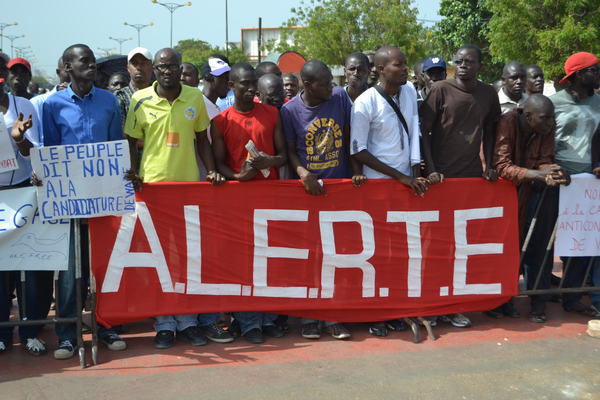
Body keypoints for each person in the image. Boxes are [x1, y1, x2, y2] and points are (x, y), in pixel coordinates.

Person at [124, 48, 230, 349]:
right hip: (154, 190)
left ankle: (189, 321)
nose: (167, 71)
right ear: (155, 69)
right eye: (162, 66)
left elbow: (201, 140)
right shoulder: (139, 99)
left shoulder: (194, 97)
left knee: (187, 258)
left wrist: (210, 172)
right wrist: (133, 174)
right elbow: (130, 141)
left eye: (172, 66)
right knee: (160, 261)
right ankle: (165, 324)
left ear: (179, 68)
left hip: (188, 189)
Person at [42, 44, 126, 359]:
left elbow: (116, 145)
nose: (92, 65)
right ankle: (68, 333)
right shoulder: (52, 104)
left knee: (104, 267)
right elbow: (50, 151)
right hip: (70, 199)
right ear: (68, 66)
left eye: (92, 61)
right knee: (70, 271)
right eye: (84, 61)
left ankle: (106, 326)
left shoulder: (108, 101)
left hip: (103, 197)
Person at [281, 59, 365, 340]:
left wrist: (355, 175)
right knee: (310, 258)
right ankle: (309, 317)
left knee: (337, 257)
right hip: (308, 193)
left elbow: (352, 136)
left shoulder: (340, 97)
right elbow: (291, 150)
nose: (332, 86)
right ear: (307, 85)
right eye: (325, 82)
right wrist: (302, 171)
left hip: (338, 191)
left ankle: (333, 316)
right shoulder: (290, 110)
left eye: (331, 81)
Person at [420, 44, 503, 324]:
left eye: (469, 61)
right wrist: (431, 169)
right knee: (434, 247)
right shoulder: (440, 89)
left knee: (460, 246)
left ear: (480, 64)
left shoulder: (488, 93)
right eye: (459, 61)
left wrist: (489, 165)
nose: (463, 65)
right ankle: (430, 306)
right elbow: (424, 132)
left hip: (470, 181)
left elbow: (491, 130)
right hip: (440, 181)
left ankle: (452, 306)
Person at [350, 46, 428, 336]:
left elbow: (415, 131)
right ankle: (374, 314)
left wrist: (415, 173)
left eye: (405, 63)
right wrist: (399, 176)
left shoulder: (409, 93)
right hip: (378, 187)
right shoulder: (365, 102)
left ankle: (394, 308)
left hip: (406, 185)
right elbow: (358, 150)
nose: (405, 69)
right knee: (374, 254)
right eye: (398, 65)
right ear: (381, 69)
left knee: (399, 253)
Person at [210, 63, 286, 344]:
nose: (251, 88)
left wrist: (270, 161)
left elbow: (283, 155)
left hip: (271, 198)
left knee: (271, 261)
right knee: (244, 262)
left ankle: (267, 318)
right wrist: (239, 176)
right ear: (231, 85)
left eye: (253, 83)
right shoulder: (221, 121)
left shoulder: (272, 114)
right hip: (238, 202)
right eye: (244, 84)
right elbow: (219, 164)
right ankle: (248, 322)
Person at [493, 94, 570, 322]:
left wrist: (554, 171)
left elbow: (545, 158)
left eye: (552, 118)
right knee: (508, 249)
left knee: (539, 247)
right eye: (545, 118)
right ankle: (501, 301)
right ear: (528, 116)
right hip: (504, 197)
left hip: (532, 195)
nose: (550, 123)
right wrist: (538, 174)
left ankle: (538, 303)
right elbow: (501, 165)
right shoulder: (508, 122)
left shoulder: (547, 126)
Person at [0, 51, 52, 356]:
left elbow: (35, 153)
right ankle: (3, 332)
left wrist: (20, 138)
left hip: (24, 194)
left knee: (33, 266)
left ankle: (32, 329)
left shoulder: (23, 105)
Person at [549, 52, 600, 316]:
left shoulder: (599, 103)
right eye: (594, 70)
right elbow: (541, 138)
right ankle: (540, 293)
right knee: (545, 239)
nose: (598, 74)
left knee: (581, 239)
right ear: (579, 75)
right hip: (557, 178)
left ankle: (571, 297)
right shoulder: (553, 102)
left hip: (587, 182)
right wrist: (548, 167)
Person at [114, 47, 154, 132]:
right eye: (134, 63)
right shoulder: (120, 96)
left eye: (143, 63)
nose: (139, 67)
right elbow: (121, 131)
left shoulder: (160, 94)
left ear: (152, 67)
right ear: (128, 68)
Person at [30, 57, 70, 128]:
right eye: (67, 70)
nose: (73, 74)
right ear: (58, 72)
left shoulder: (88, 102)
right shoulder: (38, 103)